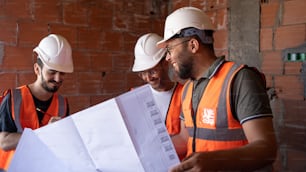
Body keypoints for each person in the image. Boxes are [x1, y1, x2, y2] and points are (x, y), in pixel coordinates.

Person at [156, 7, 277, 171]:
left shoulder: (239, 79)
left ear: (193, 45)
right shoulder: (188, 89)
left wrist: (217, 160)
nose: (168, 58)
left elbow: (267, 149)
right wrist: (149, 148)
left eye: (170, 49)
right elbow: (185, 138)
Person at [0, 34, 74, 171]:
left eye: (62, 73)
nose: (58, 79)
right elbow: (4, 142)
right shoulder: (13, 99)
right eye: (52, 72)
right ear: (37, 69)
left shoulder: (63, 104)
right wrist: (46, 133)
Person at [132, 33, 188, 160]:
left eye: (152, 71)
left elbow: (186, 139)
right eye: (142, 73)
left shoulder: (185, 94)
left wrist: (153, 150)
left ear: (165, 62)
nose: (148, 78)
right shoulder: (135, 97)